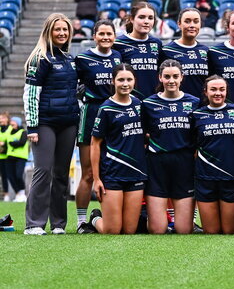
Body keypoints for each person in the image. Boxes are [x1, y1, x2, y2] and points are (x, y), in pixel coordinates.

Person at [21, 14, 79, 235]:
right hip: (45, 124)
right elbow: (30, 95)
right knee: (43, 171)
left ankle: (58, 224)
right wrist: (33, 127)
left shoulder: (70, 59)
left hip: (68, 124)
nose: (62, 33)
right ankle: (34, 223)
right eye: (58, 30)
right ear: (48, 32)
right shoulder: (39, 59)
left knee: (61, 174)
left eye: (65, 30)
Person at [71, 19, 121, 232]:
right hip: (91, 113)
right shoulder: (82, 58)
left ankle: (107, 216)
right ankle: (81, 221)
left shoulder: (118, 57)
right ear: (94, 36)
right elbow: (72, 85)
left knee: (111, 169)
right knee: (89, 172)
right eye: (101, 34)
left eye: (109, 34)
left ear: (114, 36)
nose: (105, 37)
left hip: (114, 114)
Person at [142, 60, 201, 235]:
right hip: (157, 164)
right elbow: (143, 133)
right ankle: (144, 218)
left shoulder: (194, 102)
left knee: (184, 230)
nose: (171, 81)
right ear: (160, 77)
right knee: (158, 230)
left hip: (184, 164)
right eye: (167, 77)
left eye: (175, 76)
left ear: (182, 77)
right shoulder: (148, 104)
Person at [87, 64, 146, 234]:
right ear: (113, 81)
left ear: (134, 81)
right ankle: (95, 218)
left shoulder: (139, 105)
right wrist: (97, 179)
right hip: (112, 173)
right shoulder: (106, 108)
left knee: (129, 231)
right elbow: (95, 144)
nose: (125, 84)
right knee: (112, 230)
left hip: (136, 173)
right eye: (121, 80)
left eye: (129, 79)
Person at [191, 75, 234, 234]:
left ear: (227, 91)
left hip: (232, 177)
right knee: (212, 232)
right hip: (205, 179)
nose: (218, 93)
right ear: (205, 92)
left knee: (230, 232)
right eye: (213, 89)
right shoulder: (197, 115)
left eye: (222, 89)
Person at [113, 3, 162, 99]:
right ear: (132, 19)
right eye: (141, 17)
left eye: (150, 18)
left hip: (153, 102)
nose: (146, 21)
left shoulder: (157, 43)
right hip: (128, 103)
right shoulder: (118, 44)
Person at [160, 8, 211, 98]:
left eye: (196, 22)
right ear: (179, 24)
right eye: (187, 21)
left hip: (201, 108)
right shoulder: (167, 50)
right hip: (178, 106)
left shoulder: (206, 51)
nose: (192, 25)